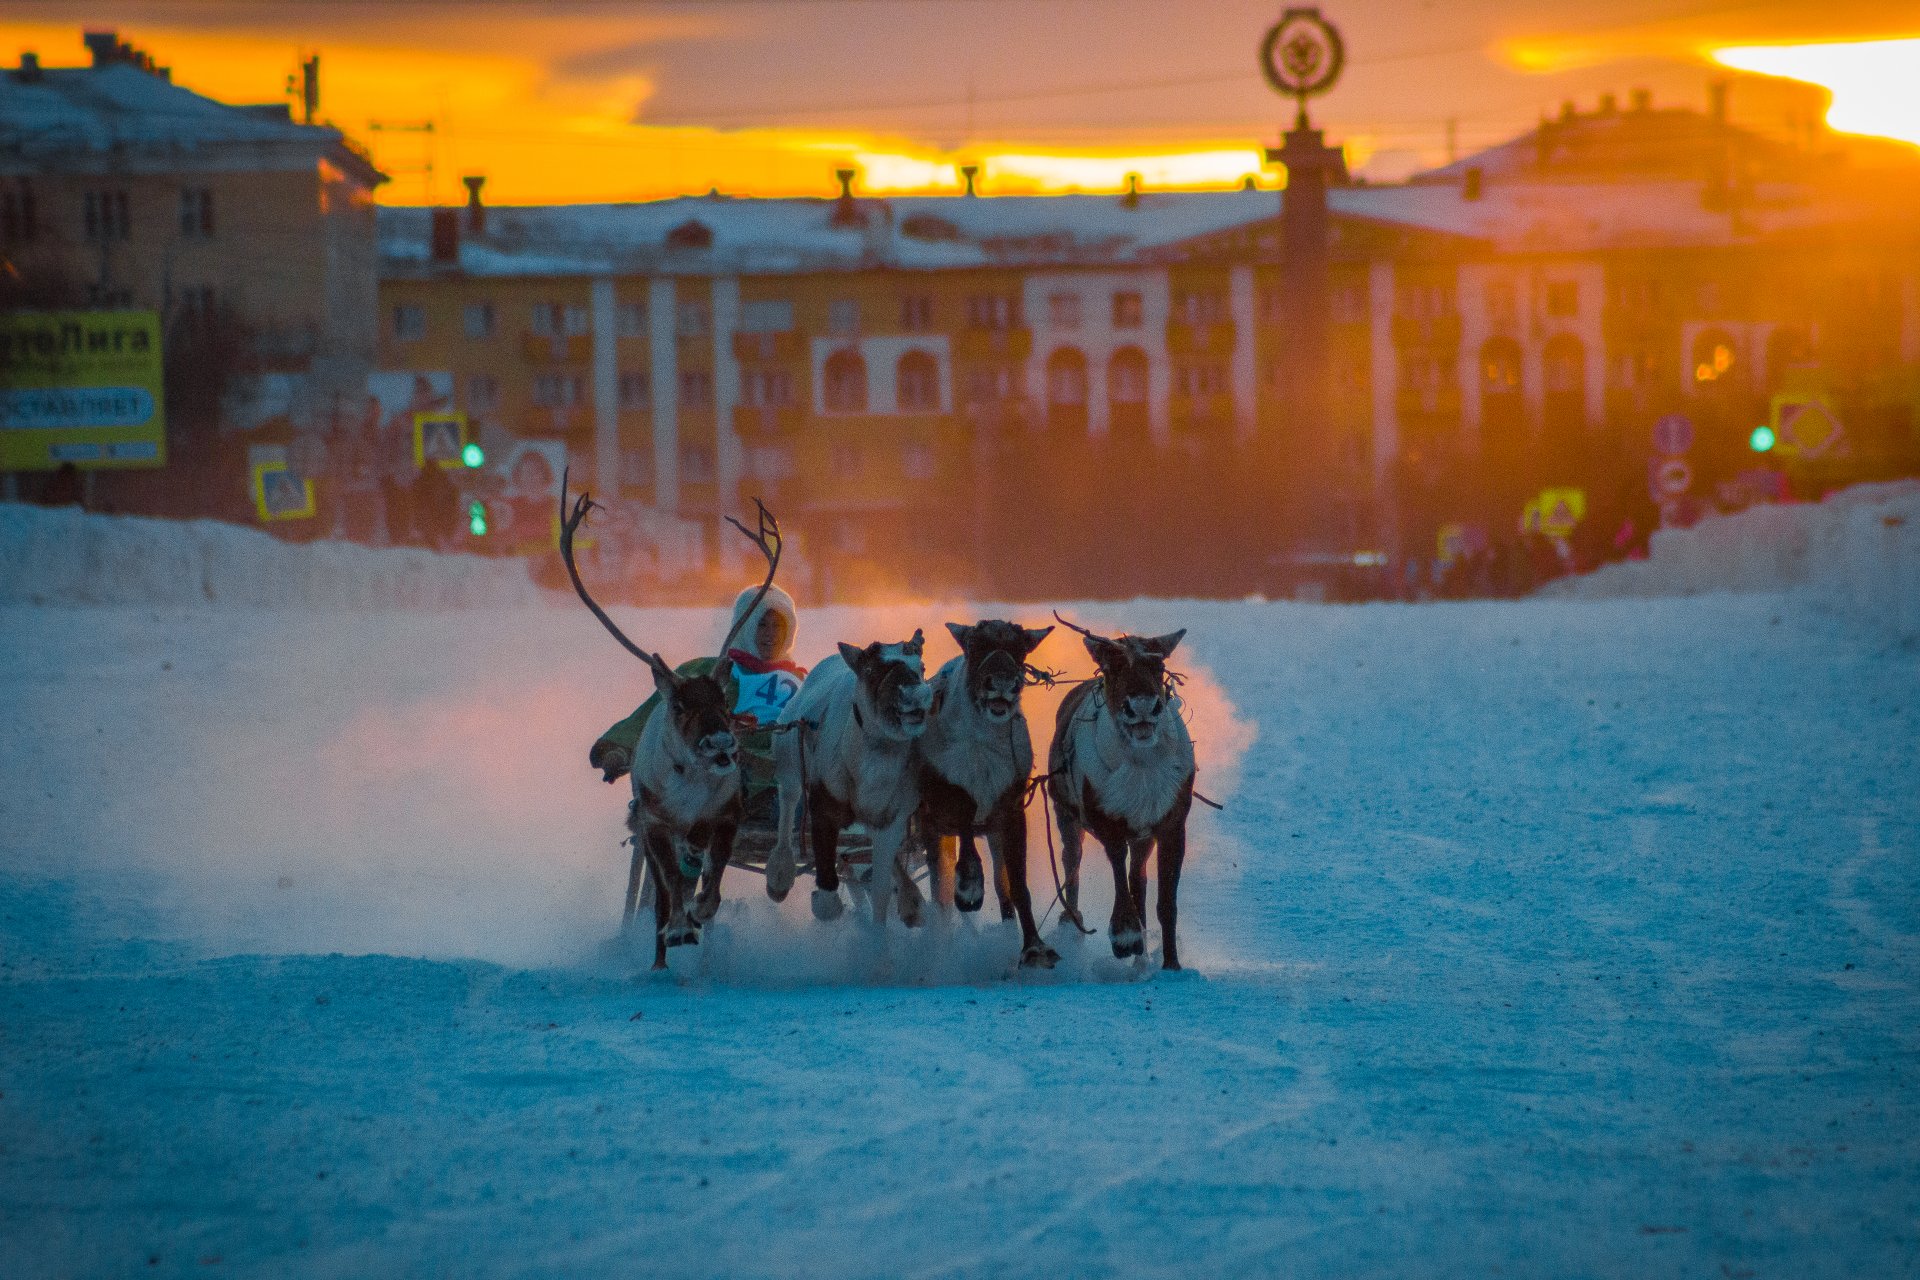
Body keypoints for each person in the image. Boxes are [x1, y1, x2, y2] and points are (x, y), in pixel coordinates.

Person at [589, 584, 806, 824]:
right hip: (725, 774)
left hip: (790, 769)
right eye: (762, 625)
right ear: (745, 627)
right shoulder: (707, 672)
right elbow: (658, 713)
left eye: (779, 626)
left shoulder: (802, 681)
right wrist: (618, 748)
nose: (771, 635)